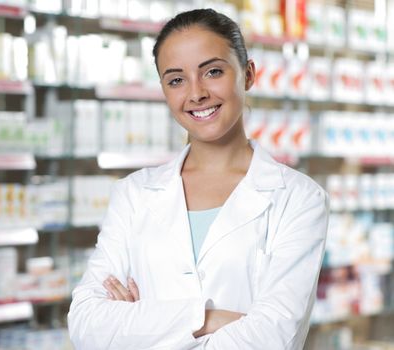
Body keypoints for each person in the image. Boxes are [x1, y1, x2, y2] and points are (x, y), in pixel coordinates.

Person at [68, 8, 329, 350]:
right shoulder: (134, 194)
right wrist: (208, 319)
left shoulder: (299, 198)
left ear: (248, 75)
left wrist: (140, 324)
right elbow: (86, 323)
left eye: (213, 72)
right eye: (176, 80)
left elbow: (273, 337)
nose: (196, 94)